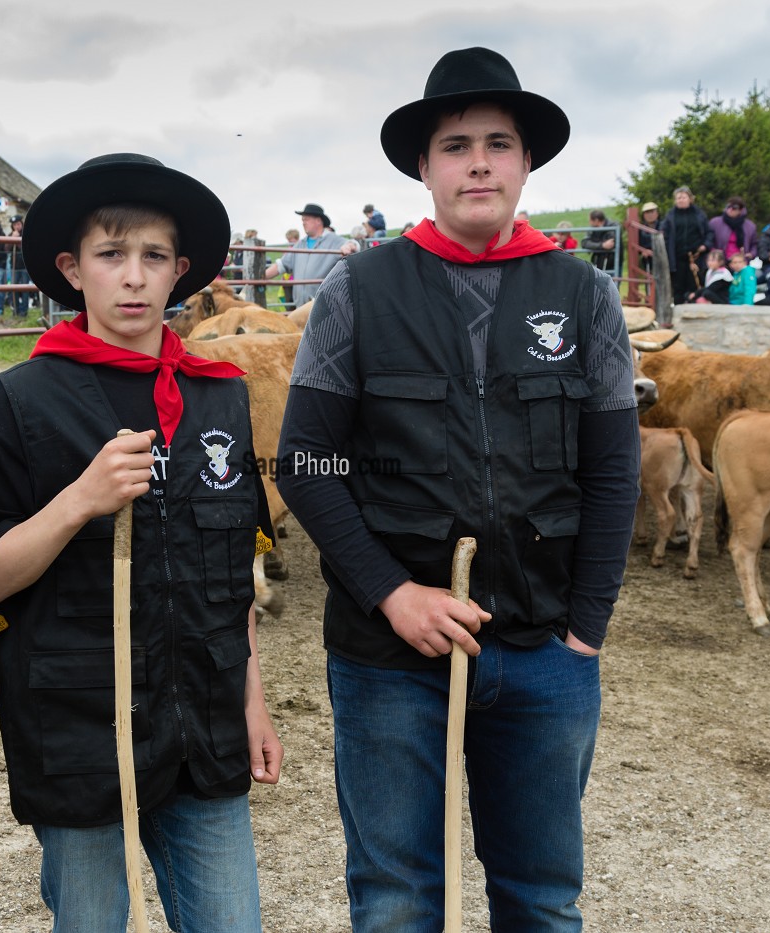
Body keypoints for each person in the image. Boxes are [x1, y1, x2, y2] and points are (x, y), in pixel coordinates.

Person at [277, 46, 640, 930]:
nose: (478, 160)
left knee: (543, 896)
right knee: (398, 897)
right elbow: (308, 463)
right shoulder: (357, 290)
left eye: (499, 142)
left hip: (544, 648)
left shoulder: (585, 295)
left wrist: (585, 630)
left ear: (526, 163)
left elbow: (614, 468)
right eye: (455, 144)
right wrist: (391, 591)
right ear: (422, 166)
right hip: (389, 656)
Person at [0, 153, 283, 931]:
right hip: (79, 723)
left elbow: (232, 570)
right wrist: (78, 501)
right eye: (111, 255)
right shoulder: (21, 400)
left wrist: (253, 702)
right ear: (73, 269)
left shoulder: (217, 396)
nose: (133, 277)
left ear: (181, 272)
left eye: (153, 256)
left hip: (203, 719)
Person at [265, 203, 347, 306]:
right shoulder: (300, 244)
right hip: (301, 306)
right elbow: (281, 265)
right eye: (303, 220)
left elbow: (352, 244)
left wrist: (350, 246)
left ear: (318, 221)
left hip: (325, 306)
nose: (303, 223)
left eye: (307, 219)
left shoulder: (334, 240)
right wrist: (260, 277)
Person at [666, 186, 712, 302]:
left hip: (696, 257)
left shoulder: (699, 214)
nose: (680, 200)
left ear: (690, 199)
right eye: (678, 198)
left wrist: (705, 245)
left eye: (683, 197)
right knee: (678, 287)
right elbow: (664, 234)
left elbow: (709, 232)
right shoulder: (670, 216)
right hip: (677, 258)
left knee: (695, 286)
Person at [707, 196, 757, 261]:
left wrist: (752, 254)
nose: (730, 209)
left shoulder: (750, 226)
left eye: (734, 208)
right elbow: (709, 240)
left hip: (741, 262)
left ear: (740, 210)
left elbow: (754, 244)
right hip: (720, 261)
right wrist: (714, 252)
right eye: (728, 206)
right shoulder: (715, 223)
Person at [7, 215, 30, 317]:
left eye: (18, 224)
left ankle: (24, 311)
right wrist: (12, 239)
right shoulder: (11, 234)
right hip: (14, 266)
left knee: (25, 289)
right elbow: (6, 248)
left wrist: (17, 241)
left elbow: (27, 247)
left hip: (25, 266)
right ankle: (15, 309)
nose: (17, 226)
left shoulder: (26, 233)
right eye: (14, 225)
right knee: (14, 288)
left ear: (21, 224)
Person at [635, 202, 659, 273]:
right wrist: (643, 251)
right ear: (643, 215)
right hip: (648, 260)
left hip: (662, 258)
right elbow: (638, 245)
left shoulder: (663, 226)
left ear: (657, 213)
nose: (650, 215)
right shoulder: (640, 229)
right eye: (647, 212)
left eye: (652, 212)